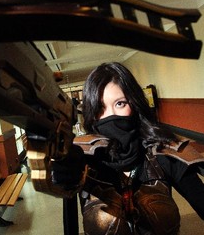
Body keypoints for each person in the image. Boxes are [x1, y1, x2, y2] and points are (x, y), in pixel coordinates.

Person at [54, 62, 204, 235]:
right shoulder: (83, 159)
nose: (110, 116)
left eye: (120, 104)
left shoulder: (164, 152)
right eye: (100, 108)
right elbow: (69, 220)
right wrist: (61, 176)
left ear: (134, 103)